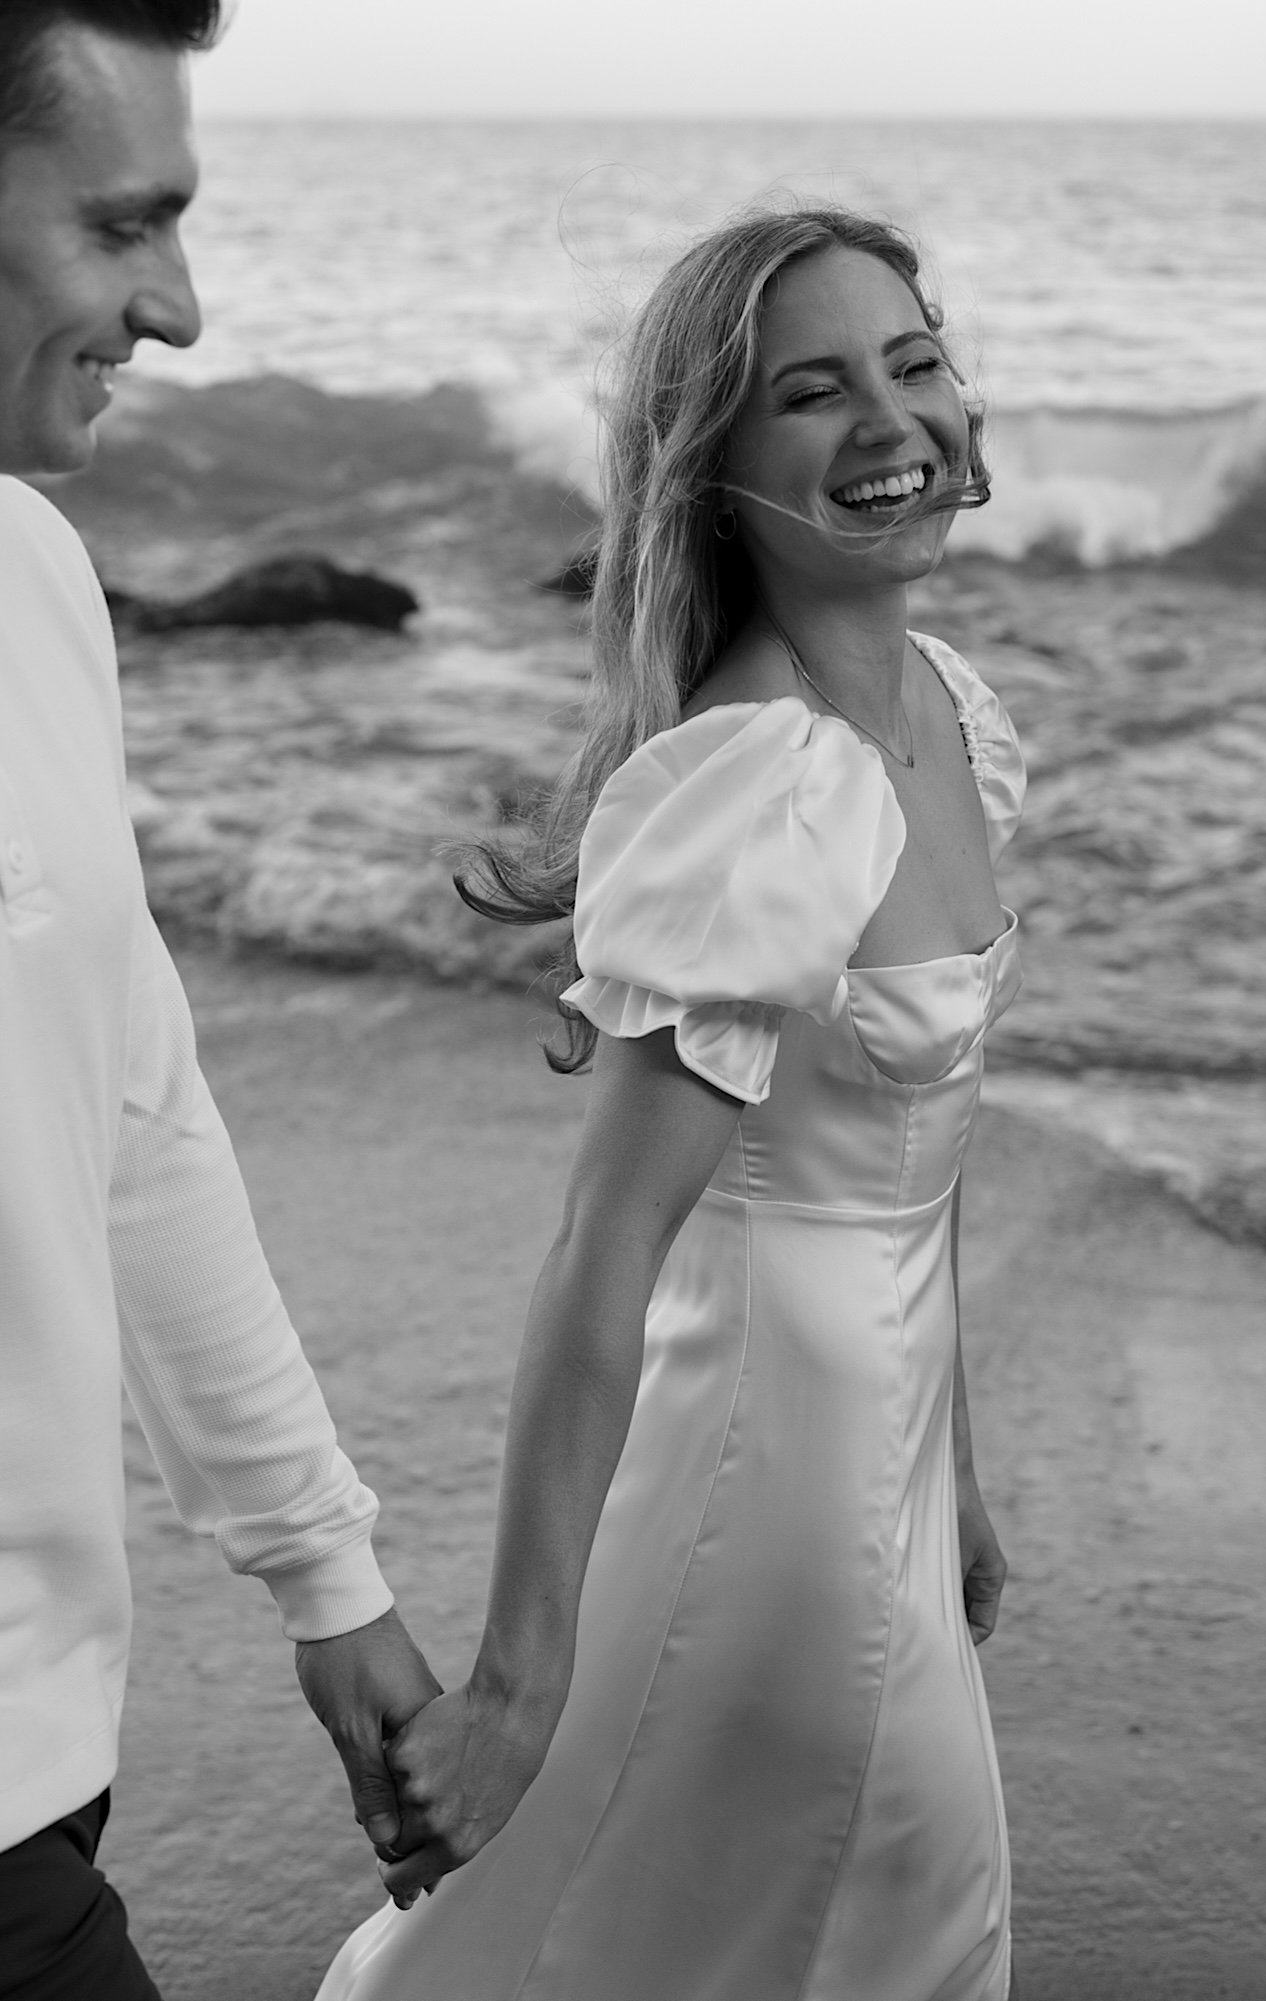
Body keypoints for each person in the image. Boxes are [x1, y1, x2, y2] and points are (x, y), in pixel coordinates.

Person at [320, 206, 1027, 2001]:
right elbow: (603, 1242)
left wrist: (963, 1472)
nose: (893, 421)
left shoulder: (948, 709)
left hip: (890, 1447)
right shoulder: (763, 777)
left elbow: (915, 1160)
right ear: (714, 472)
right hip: (772, 1481)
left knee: (824, 1923)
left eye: (914, 362)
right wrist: (511, 1688)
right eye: (814, 392)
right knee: (822, 1919)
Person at [0, 6, 441, 1995]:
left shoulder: (36, 577)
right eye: (122, 225)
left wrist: (324, 1573)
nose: (173, 308)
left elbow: (138, 1113)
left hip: (46, 1748)